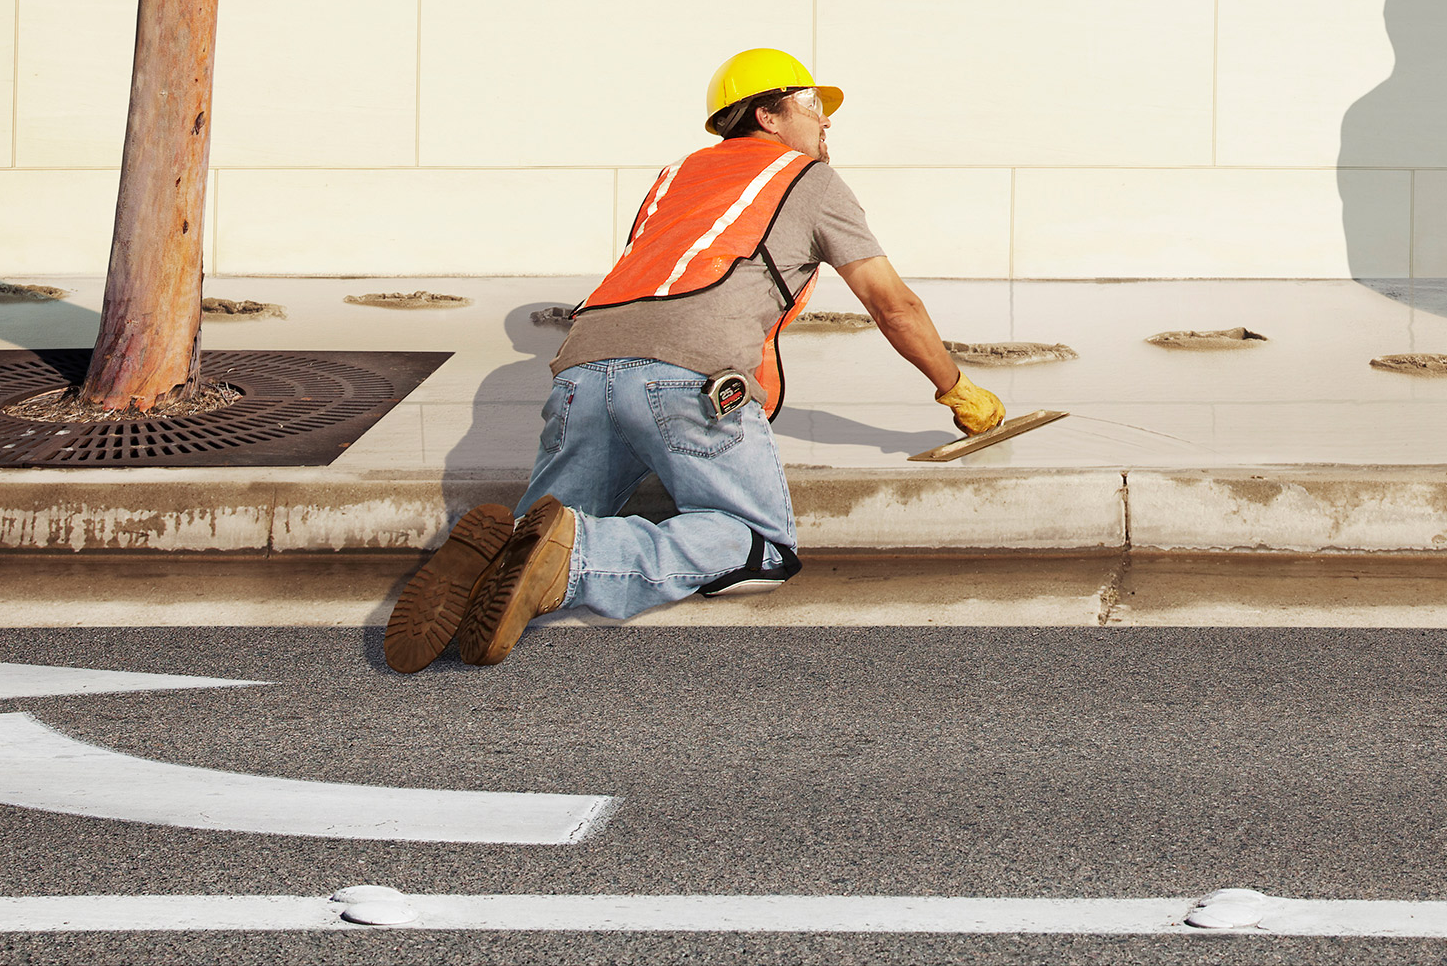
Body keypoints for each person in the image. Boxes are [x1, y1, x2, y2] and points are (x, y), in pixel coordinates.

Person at [382, 47, 1005, 671]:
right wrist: (955, 387)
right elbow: (892, 304)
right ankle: (582, 558)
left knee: (543, 525)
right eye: (814, 106)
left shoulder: (673, 177)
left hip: (581, 368)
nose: (826, 122)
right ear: (767, 114)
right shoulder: (809, 179)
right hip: (688, 378)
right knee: (759, 544)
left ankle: (509, 557)